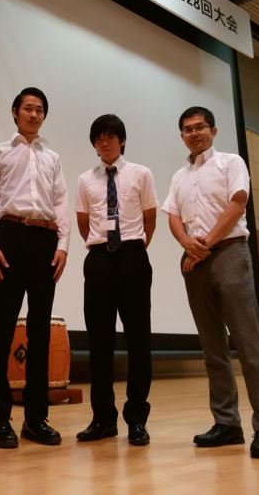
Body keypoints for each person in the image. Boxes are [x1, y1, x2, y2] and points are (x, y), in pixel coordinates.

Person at [161, 106, 259, 459]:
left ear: (213, 131)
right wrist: (187, 243)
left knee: (248, 344)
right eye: (187, 129)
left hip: (229, 252)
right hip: (194, 261)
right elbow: (172, 215)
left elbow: (238, 204)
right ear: (181, 135)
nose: (194, 133)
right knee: (212, 348)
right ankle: (227, 424)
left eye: (200, 127)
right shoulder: (179, 176)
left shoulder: (231, 163)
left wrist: (204, 244)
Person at [0, 87, 70, 448]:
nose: (34, 114)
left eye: (39, 110)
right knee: (2, 329)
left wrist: (63, 245)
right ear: (15, 112)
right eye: (28, 108)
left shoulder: (53, 157)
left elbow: (61, 202)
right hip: (10, 236)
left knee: (40, 331)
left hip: (45, 241)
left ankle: (36, 419)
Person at [74, 114, 157, 447]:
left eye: (111, 136)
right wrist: (104, 248)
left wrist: (131, 249)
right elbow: (83, 222)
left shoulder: (141, 173)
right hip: (98, 261)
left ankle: (136, 419)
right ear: (94, 144)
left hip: (133, 257)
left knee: (138, 340)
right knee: (99, 342)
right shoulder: (85, 180)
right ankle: (103, 419)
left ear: (122, 140)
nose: (105, 142)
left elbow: (150, 218)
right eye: (99, 138)